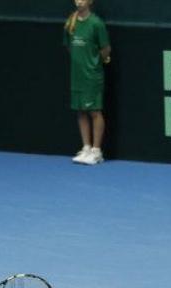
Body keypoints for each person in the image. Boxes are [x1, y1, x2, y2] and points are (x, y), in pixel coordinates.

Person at [63, 0, 111, 165]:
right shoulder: (71, 22)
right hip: (76, 76)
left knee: (94, 111)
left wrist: (94, 62)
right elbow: (69, 46)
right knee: (81, 111)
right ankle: (86, 147)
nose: (78, 2)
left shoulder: (97, 24)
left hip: (92, 75)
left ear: (90, 1)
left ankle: (97, 151)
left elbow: (106, 49)